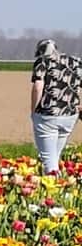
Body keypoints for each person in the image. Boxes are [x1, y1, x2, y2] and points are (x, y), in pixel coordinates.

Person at [30, 36, 80, 175]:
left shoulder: (42, 62)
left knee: (48, 160)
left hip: (48, 116)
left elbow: (38, 86)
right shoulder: (75, 62)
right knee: (55, 156)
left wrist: (34, 111)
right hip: (70, 115)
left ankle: (54, 191)